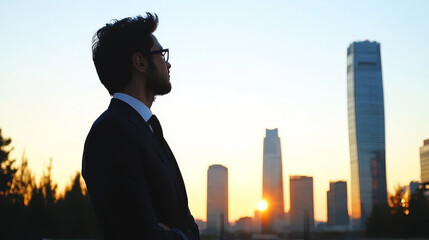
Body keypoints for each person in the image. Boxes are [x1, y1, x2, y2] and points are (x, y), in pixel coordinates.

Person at [82, 13, 200, 240]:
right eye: (161, 54)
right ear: (141, 62)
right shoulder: (111, 133)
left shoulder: (148, 129)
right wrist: (183, 235)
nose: (168, 63)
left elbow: (187, 223)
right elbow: (140, 234)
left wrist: (178, 234)